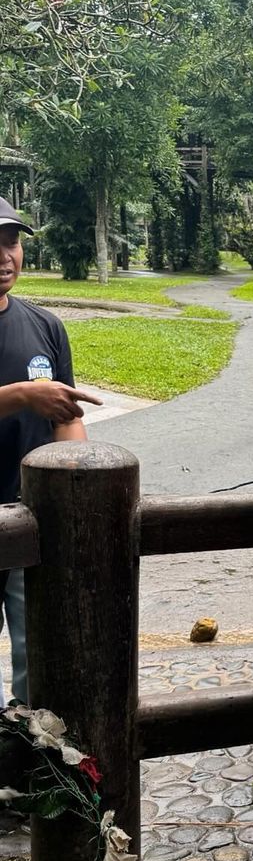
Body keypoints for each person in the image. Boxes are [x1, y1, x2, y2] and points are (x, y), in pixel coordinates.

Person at [0, 196, 101, 706]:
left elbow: (67, 419)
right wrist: (21, 395)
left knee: (36, 652)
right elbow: (33, 399)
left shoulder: (45, 326)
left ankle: (28, 747)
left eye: (11, 242)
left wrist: (80, 483)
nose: (5, 256)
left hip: (30, 520)